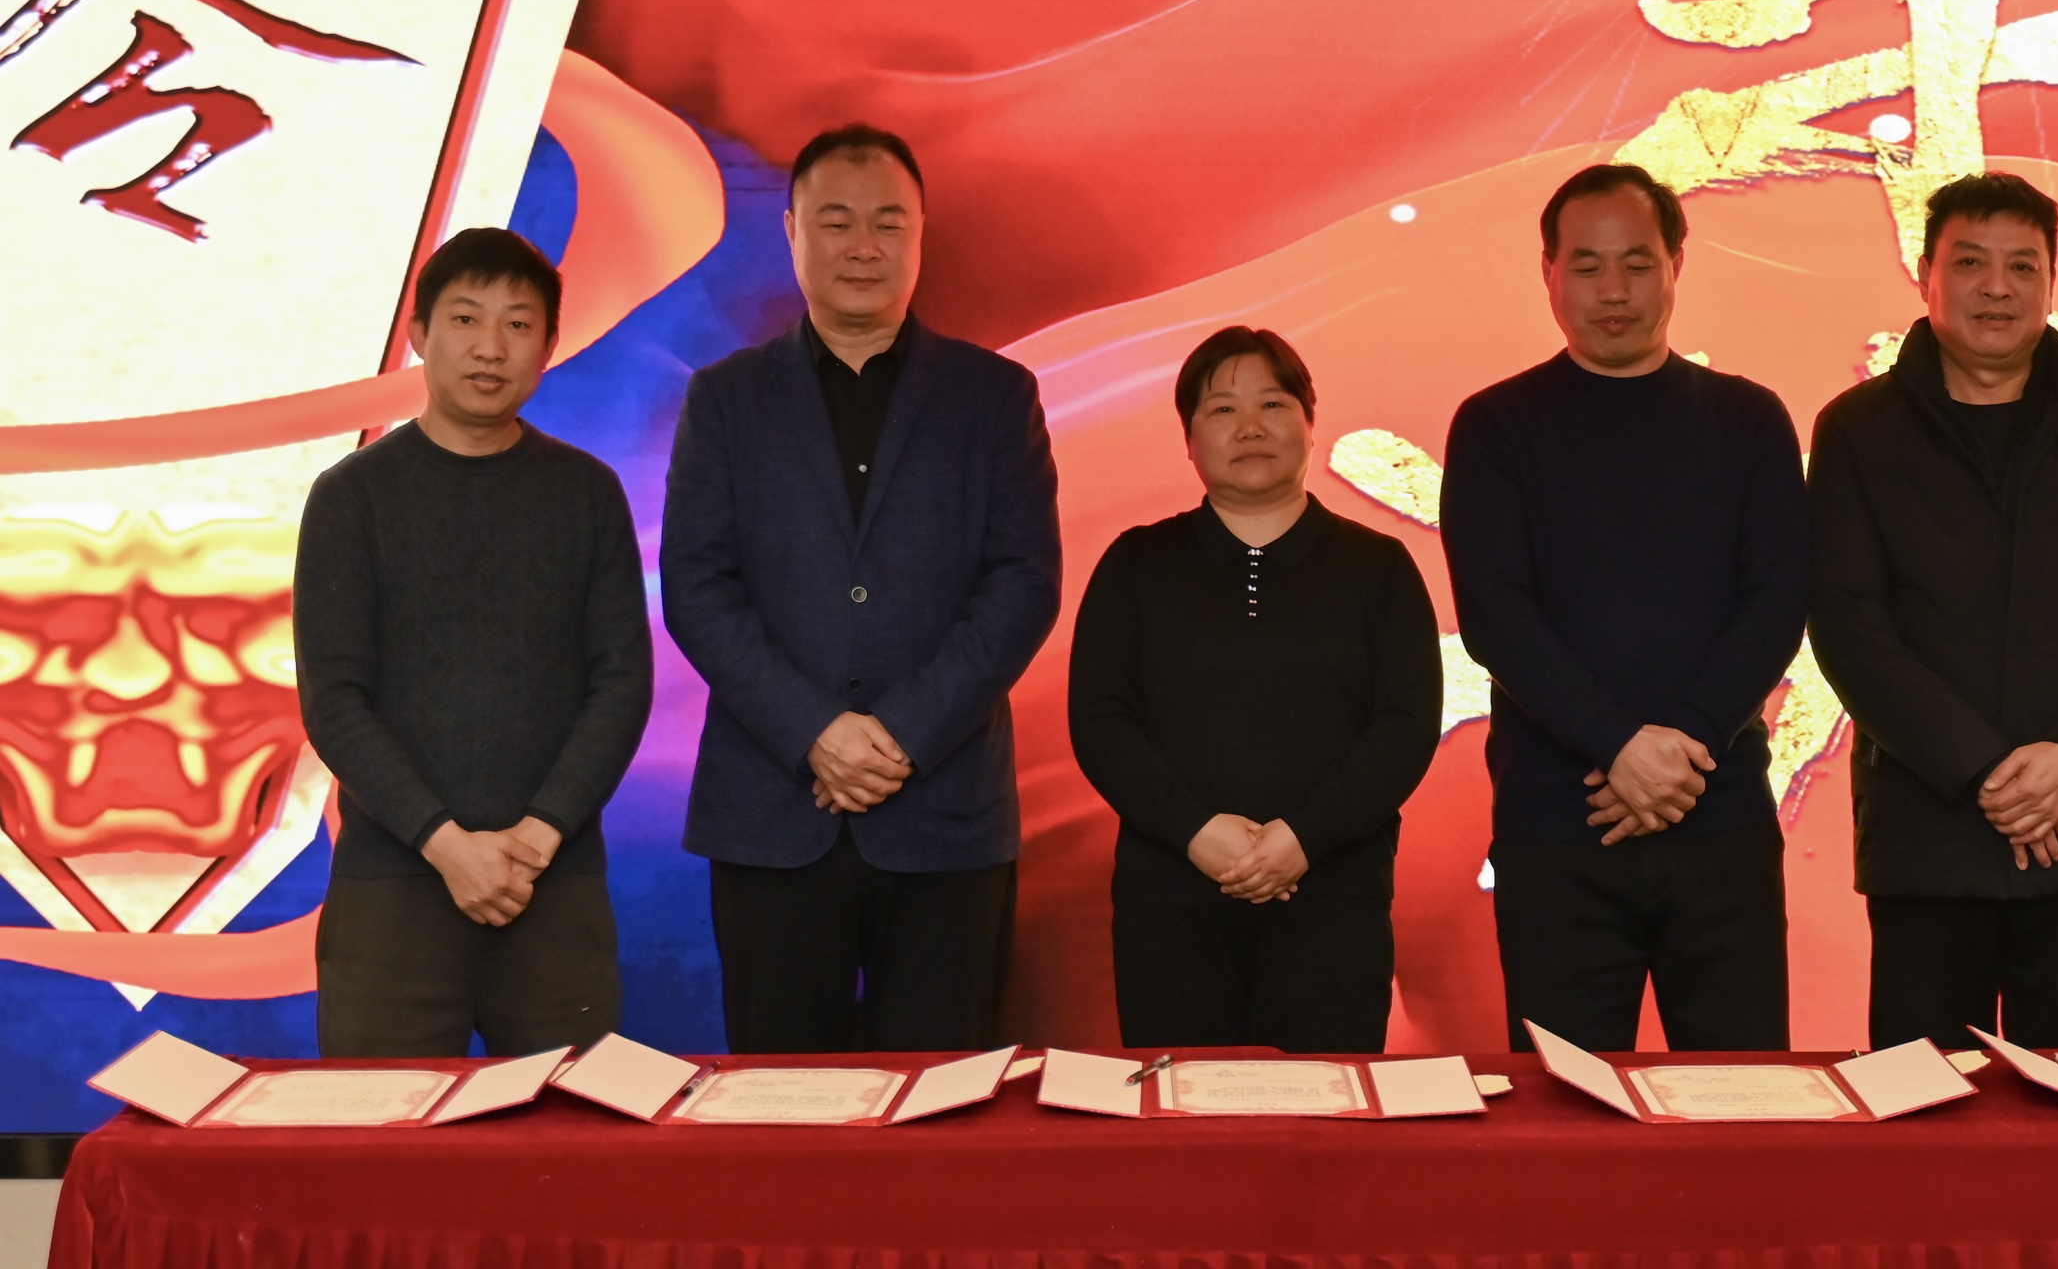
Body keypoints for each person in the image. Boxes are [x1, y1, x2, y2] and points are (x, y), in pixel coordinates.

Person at [662, 123, 1061, 1053]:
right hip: (772, 813)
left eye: (889, 223)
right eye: (836, 222)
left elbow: (1023, 585)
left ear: (921, 235)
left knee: (940, 1099)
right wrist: (816, 732)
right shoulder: (726, 399)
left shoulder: (994, 397)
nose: (863, 246)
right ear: (792, 231)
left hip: (945, 817)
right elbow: (697, 586)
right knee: (779, 1103)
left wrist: (900, 735)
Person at [1808, 172, 2058, 1051]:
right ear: (1925, 274)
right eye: (1971, 262)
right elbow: (1851, 627)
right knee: (1930, 1110)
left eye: (2023, 266)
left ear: (2051, 283)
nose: (1998, 287)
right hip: (1928, 840)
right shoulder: (1859, 430)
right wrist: (1986, 772)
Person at [1440, 161, 1809, 1051]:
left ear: (1676, 264)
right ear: (1549, 272)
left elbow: (1778, 598)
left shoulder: (1749, 420)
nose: (1614, 291)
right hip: (1556, 826)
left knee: (1743, 1098)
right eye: (1588, 265)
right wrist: (1617, 745)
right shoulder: (1496, 426)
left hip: (1718, 819)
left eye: (1637, 264)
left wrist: (1680, 746)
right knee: (1563, 1108)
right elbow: (1495, 613)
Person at [296, 227, 650, 1057]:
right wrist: (447, 846)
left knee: (568, 1130)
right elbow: (335, 703)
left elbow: (621, 682)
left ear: (549, 345)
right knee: (383, 1131)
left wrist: (539, 836)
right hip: (394, 890)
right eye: (465, 319)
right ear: (419, 334)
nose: (491, 347)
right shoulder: (351, 497)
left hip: (551, 887)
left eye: (518, 324)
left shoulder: (587, 494)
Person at [1068, 327, 1442, 1051]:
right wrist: (1195, 832)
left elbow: (1404, 727)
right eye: (1222, 409)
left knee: (1327, 1111)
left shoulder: (1379, 568)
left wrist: (1303, 839)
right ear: (1188, 439)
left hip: (1332, 898)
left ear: (1310, 422)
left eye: (1273, 403)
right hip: (1171, 902)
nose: (1250, 427)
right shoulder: (1137, 565)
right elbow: (1101, 721)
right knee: (1183, 1109)